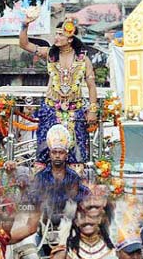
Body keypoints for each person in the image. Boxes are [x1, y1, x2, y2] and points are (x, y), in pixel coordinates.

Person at [19, 16, 98, 165]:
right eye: (56, 34)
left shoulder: (83, 59)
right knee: (44, 152)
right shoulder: (49, 54)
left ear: (70, 38)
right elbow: (24, 44)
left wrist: (92, 109)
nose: (56, 37)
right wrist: (25, 25)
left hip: (76, 111)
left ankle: (74, 185)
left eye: (61, 34)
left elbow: (91, 86)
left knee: (77, 155)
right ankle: (41, 185)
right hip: (51, 109)